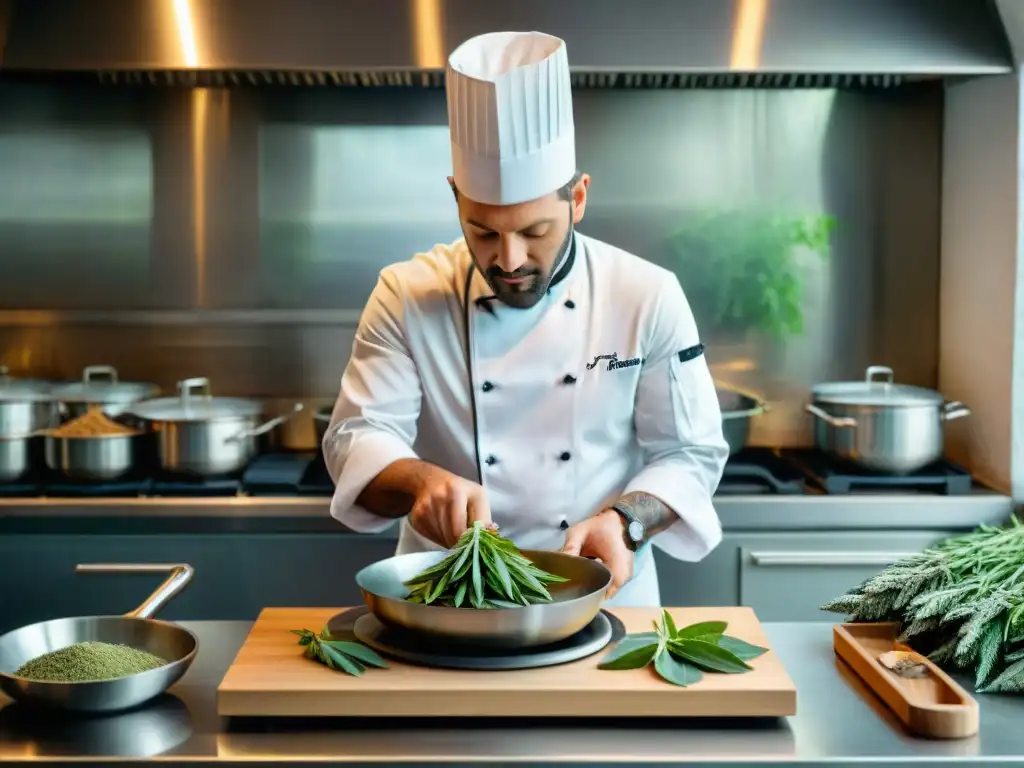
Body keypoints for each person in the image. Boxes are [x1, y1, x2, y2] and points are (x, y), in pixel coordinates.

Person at [322, 30, 729, 608]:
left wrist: (626, 522)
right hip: (446, 600)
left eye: (535, 232)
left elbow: (691, 453)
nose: (509, 260)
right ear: (455, 197)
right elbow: (357, 436)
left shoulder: (647, 294)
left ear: (578, 198)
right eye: (483, 231)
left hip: (604, 596)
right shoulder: (404, 294)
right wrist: (419, 483)